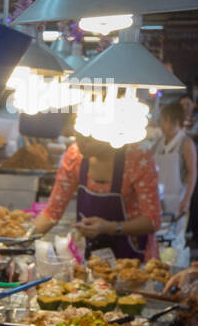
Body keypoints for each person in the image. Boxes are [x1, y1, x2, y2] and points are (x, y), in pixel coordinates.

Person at [33, 133, 162, 258]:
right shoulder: (75, 155)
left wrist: (109, 227)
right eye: (79, 136)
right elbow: (52, 212)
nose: (82, 143)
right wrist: (23, 240)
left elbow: (152, 221)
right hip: (91, 256)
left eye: (89, 139)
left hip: (133, 257)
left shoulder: (136, 156)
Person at [153, 99, 196, 238]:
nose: (162, 125)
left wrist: (186, 199)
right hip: (158, 199)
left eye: (165, 121)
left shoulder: (186, 143)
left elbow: (192, 173)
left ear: (176, 122)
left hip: (178, 201)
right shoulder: (158, 143)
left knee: (174, 241)